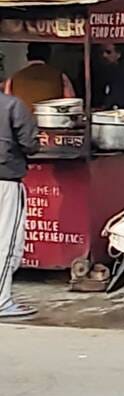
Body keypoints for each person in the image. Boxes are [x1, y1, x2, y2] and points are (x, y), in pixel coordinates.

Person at [0, 88, 40, 319]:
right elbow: (30, 143)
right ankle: (2, 301)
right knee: (7, 242)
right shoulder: (12, 105)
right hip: (5, 180)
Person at [4, 44, 76, 110]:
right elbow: (70, 101)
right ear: (48, 56)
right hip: (51, 121)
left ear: (27, 56)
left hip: (23, 122)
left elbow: (7, 104)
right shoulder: (60, 76)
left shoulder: (14, 78)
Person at [92, 44, 124, 110]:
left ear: (118, 54)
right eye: (101, 52)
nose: (104, 55)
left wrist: (105, 107)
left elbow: (117, 95)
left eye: (108, 52)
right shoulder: (101, 72)